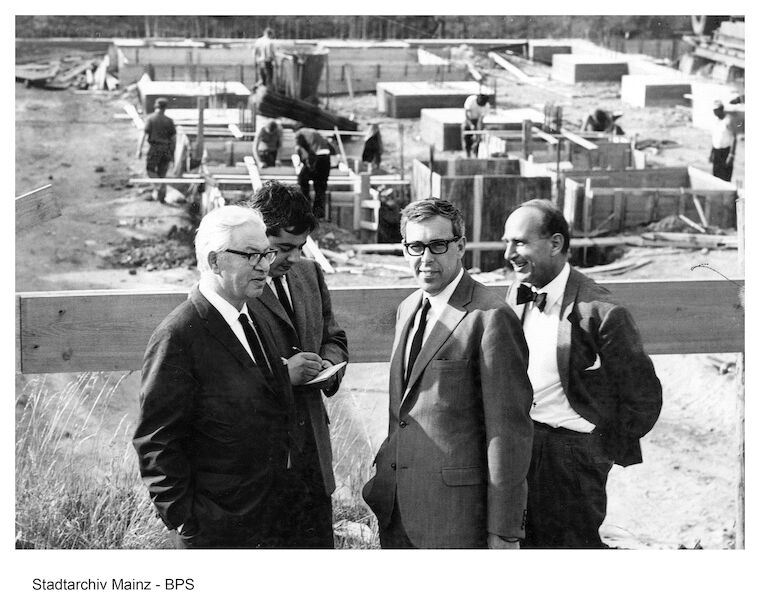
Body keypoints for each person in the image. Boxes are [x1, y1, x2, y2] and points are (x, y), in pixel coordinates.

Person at [362, 198, 534, 549]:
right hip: (396, 509)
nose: (426, 258)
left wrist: (503, 530)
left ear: (460, 246)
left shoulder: (490, 317)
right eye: (415, 246)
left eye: (438, 245)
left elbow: (507, 432)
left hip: (455, 517)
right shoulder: (408, 308)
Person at [502, 199, 662, 549]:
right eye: (506, 242)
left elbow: (644, 397)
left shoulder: (602, 312)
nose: (508, 253)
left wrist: (597, 449)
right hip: (521, 446)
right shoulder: (517, 293)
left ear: (556, 244)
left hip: (571, 457)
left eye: (519, 242)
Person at [132, 205, 295, 548]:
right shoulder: (178, 335)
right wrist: (187, 521)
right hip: (215, 535)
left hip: (269, 523)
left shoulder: (254, 318)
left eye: (266, 253)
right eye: (251, 255)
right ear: (214, 260)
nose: (265, 265)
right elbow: (156, 441)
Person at [245, 181, 349, 548]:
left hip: (313, 460)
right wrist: (282, 375)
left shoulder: (308, 274)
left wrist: (327, 366)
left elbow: (334, 337)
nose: (292, 258)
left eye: (301, 247)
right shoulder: (236, 286)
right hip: (262, 464)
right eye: (283, 248)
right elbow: (223, 370)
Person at [136, 97, 176, 203]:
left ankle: (160, 188)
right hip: (166, 150)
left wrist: (139, 149)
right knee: (162, 173)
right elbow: (173, 139)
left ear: (156, 107)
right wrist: (173, 153)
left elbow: (143, 134)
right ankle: (161, 197)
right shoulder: (169, 121)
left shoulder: (151, 119)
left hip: (155, 149)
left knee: (150, 170)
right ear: (165, 108)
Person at [293, 127, 331, 220]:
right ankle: (318, 215)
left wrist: (303, 162)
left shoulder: (299, 134)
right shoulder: (315, 132)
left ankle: (306, 209)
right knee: (320, 187)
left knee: (302, 180)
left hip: (316, 158)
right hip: (326, 158)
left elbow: (300, 149)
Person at [709, 100, 737, 181]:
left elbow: (734, 138)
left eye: (715, 110)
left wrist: (731, 155)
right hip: (716, 152)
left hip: (725, 152)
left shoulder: (728, 120)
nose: (714, 112)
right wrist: (712, 153)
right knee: (716, 177)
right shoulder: (715, 121)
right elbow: (715, 138)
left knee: (725, 177)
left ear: (721, 109)